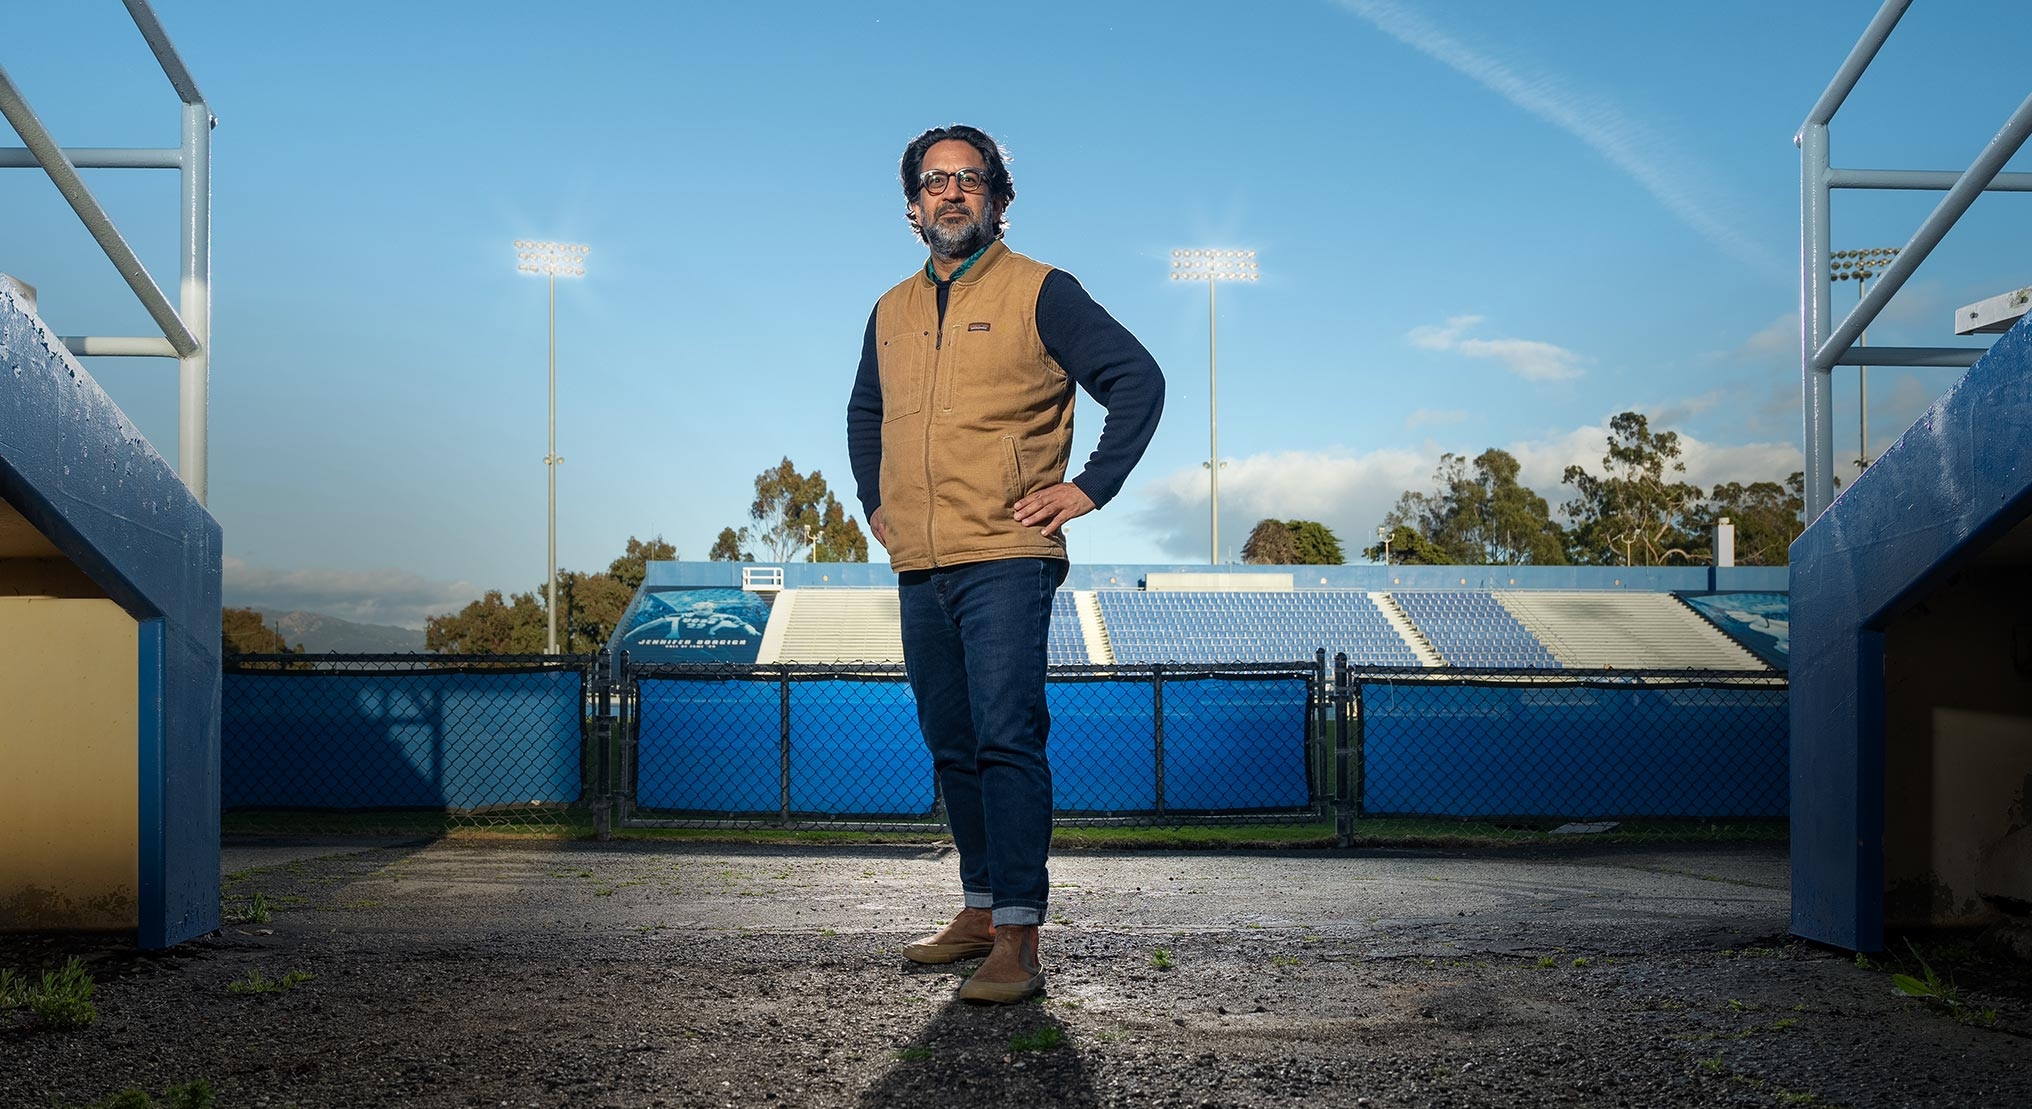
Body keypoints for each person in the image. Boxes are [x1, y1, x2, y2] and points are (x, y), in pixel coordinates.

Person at [846, 124, 1165, 1003]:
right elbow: (864, 413)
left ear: (999, 200)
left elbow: (1138, 378)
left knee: (1005, 739)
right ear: (913, 205)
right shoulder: (888, 309)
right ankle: (980, 909)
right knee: (952, 745)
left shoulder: (1043, 292)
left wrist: (1089, 487)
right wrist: (879, 505)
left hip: (1007, 556)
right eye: (935, 180)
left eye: (970, 179)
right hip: (921, 562)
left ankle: (1019, 938)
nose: (952, 193)